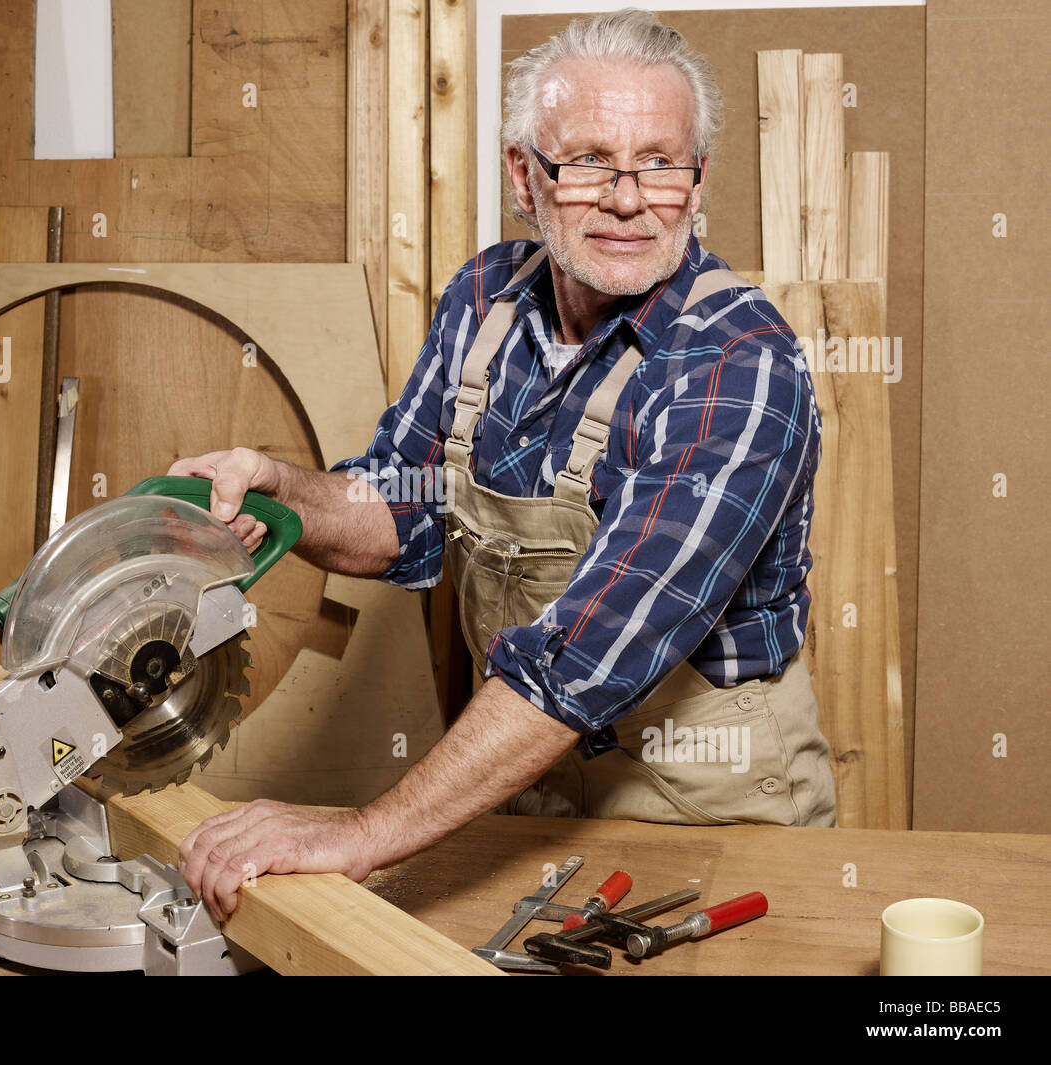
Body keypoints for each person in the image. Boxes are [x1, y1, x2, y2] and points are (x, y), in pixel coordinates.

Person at [173, 9, 836, 921]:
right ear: (526, 174)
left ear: (698, 178)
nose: (630, 198)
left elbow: (583, 661)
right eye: (591, 161)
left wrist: (362, 831)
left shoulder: (736, 368)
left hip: (712, 810)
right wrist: (286, 491)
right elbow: (403, 512)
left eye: (661, 162)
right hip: (523, 789)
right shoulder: (483, 299)